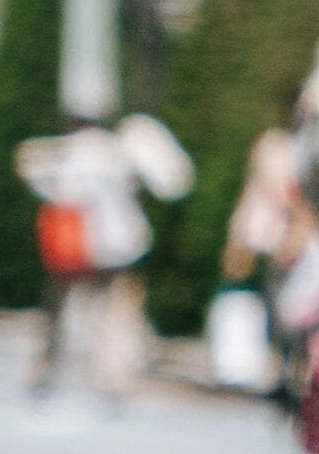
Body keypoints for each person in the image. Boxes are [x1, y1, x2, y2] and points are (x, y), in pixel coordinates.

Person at [16, 105, 194, 405]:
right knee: (117, 314)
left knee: (59, 312)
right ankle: (113, 377)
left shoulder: (68, 154)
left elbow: (40, 178)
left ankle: (45, 370)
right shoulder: (121, 153)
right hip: (121, 250)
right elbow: (171, 183)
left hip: (77, 249)